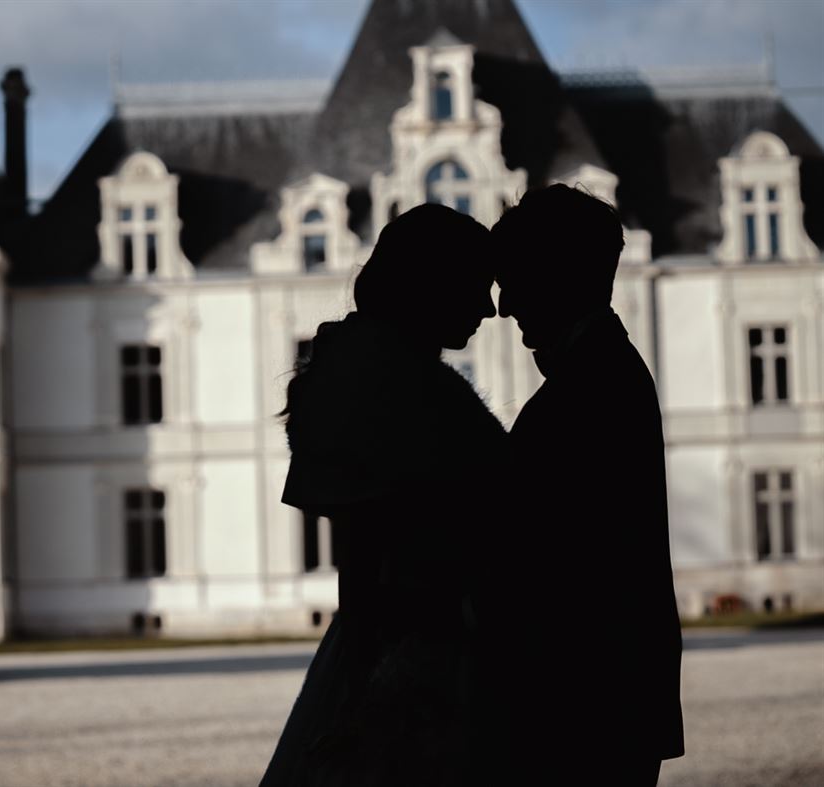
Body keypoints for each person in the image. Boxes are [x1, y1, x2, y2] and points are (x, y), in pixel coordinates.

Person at [260, 204, 505, 786]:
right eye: (477, 286)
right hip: (423, 654)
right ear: (431, 285)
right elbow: (369, 548)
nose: (488, 308)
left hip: (402, 645)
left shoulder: (372, 374)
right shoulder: (396, 388)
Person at [491, 184, 684, 785]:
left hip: (585, 699)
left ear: (556, 275)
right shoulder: (599, 372)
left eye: (513, 278)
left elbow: (555, 561)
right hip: (605, 696)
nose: (501, 306)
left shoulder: (590, 388)